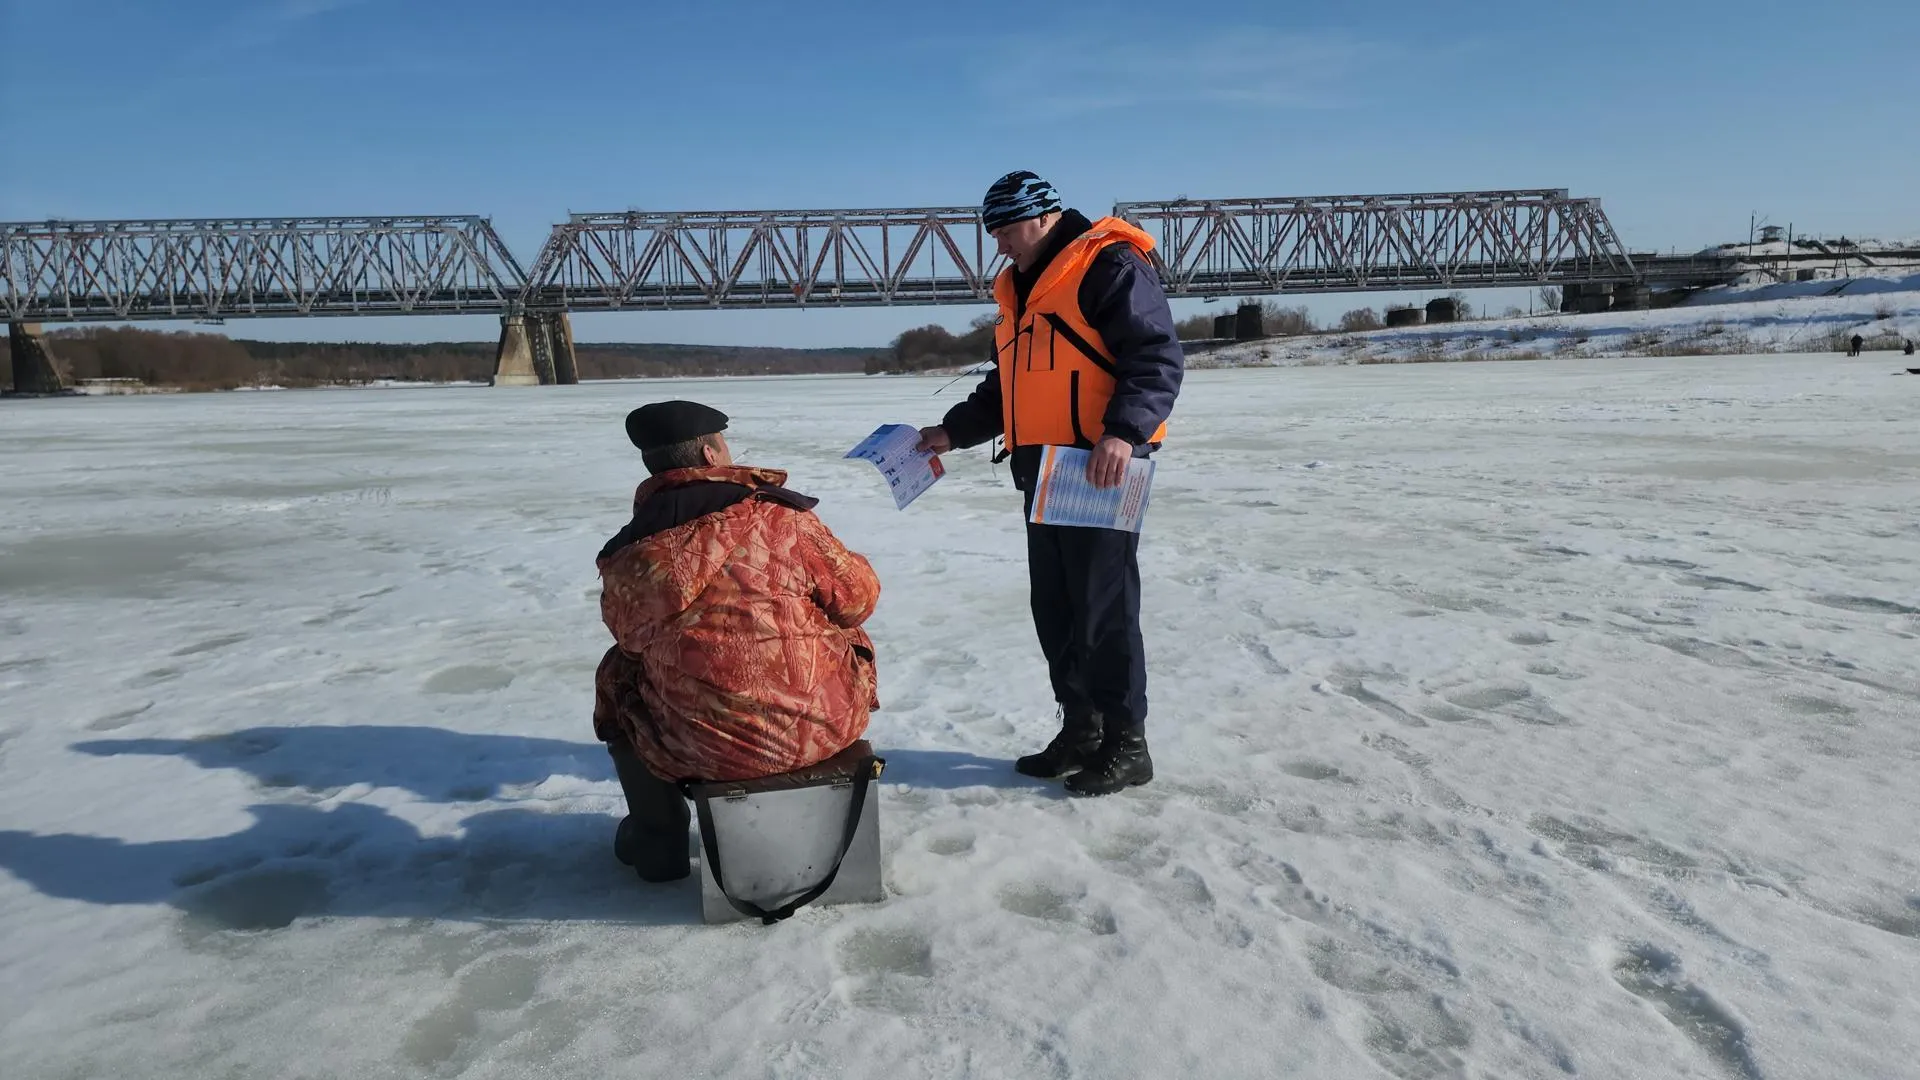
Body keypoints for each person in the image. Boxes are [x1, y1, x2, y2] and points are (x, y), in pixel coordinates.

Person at [916, 171, 1184, 797]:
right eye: (994, 232)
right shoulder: (1020, 289)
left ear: (1042, 218)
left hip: (1101, 464)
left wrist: (1124, 430)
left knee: (1104, 611)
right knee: (1057, 609)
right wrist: (953, 432)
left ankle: (1127, 743)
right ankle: (1082, 731)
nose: (999, 245)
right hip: (1044, 469)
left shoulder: (1109, 264)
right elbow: (1008, 382)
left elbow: (1155, 357)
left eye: (1006, 230)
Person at [593, 400, 881, 881]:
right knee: (841, 624)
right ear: (710, 456)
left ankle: (657, 833)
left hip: (697, 744)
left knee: (618, 673)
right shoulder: (786, 519)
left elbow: (630, 639)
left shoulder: (631, 550)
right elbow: (859, 600)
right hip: (823, 728)